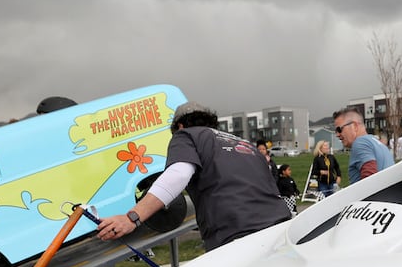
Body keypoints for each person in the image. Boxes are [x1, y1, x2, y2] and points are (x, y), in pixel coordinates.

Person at [96, 102, 290, 251]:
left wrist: (131, 218)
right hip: (281, 228)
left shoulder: (187, 136)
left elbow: (178, 175)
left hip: (238, 234)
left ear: (180, 126)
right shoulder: (246, 145)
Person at [333, 108, 393, 184]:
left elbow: (370, 180)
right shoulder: (378, 144)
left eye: (339, 129)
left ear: (354, 126)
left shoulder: (360, 143)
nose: (337, 135)